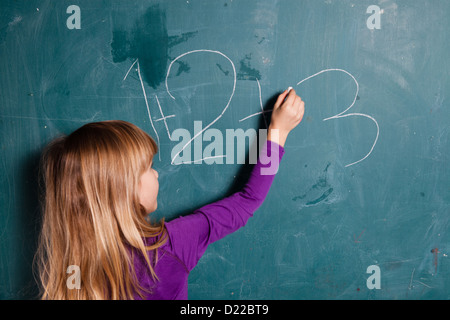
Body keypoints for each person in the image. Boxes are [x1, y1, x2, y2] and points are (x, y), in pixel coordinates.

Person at [35, 89, 305, 299]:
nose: (156, 174)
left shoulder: (71, 272)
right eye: (148, 168)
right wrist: (277, 132)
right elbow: (247, 202)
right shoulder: (169, 248)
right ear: (124, 190)